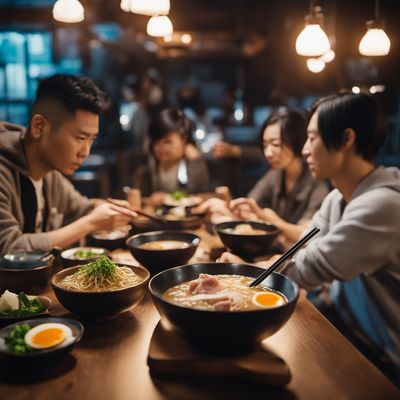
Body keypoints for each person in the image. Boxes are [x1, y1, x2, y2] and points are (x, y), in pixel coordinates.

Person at [220, 92, 400, 382]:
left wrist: (239, 277)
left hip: (382, 359)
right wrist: (245, 270)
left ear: (346, 139)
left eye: (312, 138)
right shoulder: (336, 199)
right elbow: (300, 251)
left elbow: (308, 269)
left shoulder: (382, 205)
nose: (304, 150)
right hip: (344, 331)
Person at [0, 74, 136, 254]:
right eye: (80, 138)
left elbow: (81, 209)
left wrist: (105, 209)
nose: (85, 152)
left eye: (91, 140)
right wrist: (91, 222)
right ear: (39, 126)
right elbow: (8, 247)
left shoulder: (51, 175)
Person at [198, 109, 329, 244]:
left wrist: (272, 220)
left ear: (297, 141)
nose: (268, 153)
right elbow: (251, 206)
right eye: (265, 145)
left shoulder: (317, 183)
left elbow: (306, 236)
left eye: (276, 144)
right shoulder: (275, 174)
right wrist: (227, 206)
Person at [132, 108, 210, 203]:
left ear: (183, 139)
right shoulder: (148, 164)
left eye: (167, 142)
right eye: (156, 142)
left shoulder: (193, 160)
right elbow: (135, 197)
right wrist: (150, 201)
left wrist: (195, 162)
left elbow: (198, 195)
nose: (160, 148)